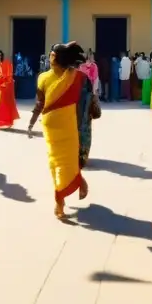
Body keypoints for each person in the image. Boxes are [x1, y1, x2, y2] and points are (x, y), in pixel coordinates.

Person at [27, 42, 91, 219]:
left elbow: (39, 104)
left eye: (52, 54)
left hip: (52, 125)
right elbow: (85, 101)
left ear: (56, 58)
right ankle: (66, 193)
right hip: (66, 125)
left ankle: (65, 196)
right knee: (65, 160)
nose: (50, 56)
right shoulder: (76, 77)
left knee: (56, 162)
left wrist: (32, 122)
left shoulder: (43, 78)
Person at [0, 50, 19, 129]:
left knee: (7, 103)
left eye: (0, 55)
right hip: (3, 86)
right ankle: (0, 122)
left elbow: (8, 75)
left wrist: (4, 82)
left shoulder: (7, 63)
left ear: (2, 56)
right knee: (3, 103)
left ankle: (6, 122)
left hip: (8, 86)